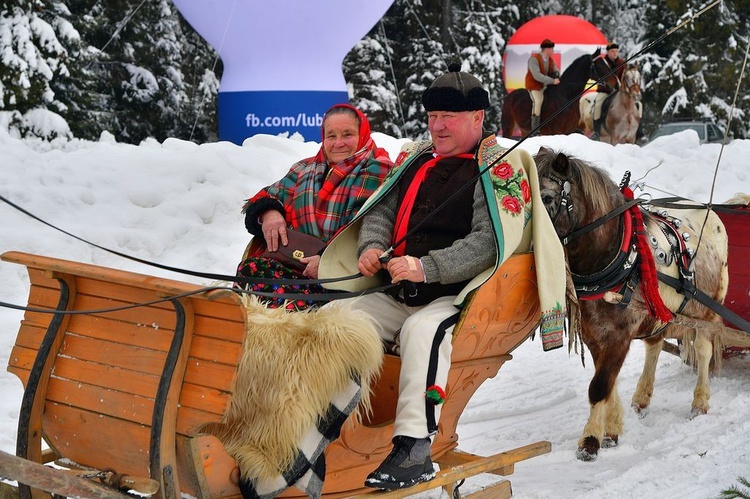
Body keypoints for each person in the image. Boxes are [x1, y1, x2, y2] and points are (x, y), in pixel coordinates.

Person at [319, 64, 567, 491]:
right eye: (432, 117)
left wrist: (426, 267)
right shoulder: (417, 160)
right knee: (337, 319)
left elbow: (489, 243)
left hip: (460, 296)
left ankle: (415, 445)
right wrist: (371, 247)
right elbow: (380, 210)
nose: (437, 126)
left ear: (477, 119)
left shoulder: (498, 169)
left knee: (422, 330)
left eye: (448, 118)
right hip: (399, 287)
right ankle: (327, 422)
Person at [237, 103, 392, 310]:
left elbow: (378, 229)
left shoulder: (381, 171)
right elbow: (265, 197)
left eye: (347, 134)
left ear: (363, 134)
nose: (338, 143)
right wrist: (269, 213)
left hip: (345, 278)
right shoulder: (304, 169)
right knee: (251, 271)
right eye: (331, 136)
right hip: (294, 266)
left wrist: (328, 264)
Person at [590, 42, 627, 140]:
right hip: (605, 91)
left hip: (619, 92)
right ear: (608, 52)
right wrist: (601, 81)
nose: (615, 53)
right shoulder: (601, 62)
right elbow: (595, 75)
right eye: (612, 51)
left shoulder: (622, 63)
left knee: (636, 104)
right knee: (597, 105)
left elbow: (625, 78)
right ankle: (596, 132)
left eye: (616, 51)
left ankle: (639, 132)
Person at [524, 38, 560, 135]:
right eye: (552, 49)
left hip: (546, 86)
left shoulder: (550, 60)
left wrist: (557, 74)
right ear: (547, 49)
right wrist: (552, 81)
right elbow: (537, 75)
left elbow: (556, 69)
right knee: (538, 101)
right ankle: (534, 130)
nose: (553, 51)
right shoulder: (534, 59)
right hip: (535, 86)